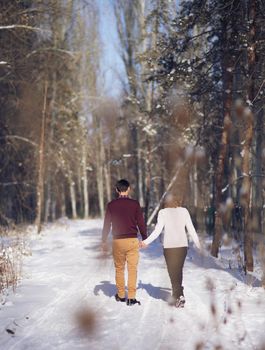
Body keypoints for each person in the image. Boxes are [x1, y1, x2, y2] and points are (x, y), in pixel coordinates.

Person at [141, 195, 201, 308]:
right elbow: (191, 229)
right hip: (182, 247)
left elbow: (157, 231)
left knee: (173, 272)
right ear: (178, 201)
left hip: (169, 247)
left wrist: (146, 242)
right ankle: (177, 295)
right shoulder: (184, 211)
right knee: (178, 271)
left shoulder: (163, 213)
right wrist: (199, 245)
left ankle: (180, 295)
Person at [102, 179, 147, 306]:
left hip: (117, 242)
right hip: (132, 241)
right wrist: (144, 238)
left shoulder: (111, 205)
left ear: (116, 190)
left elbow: (107, 224)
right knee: (132, 269)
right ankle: (131, 297)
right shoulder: (135, 204)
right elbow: (141, 223)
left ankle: (121, 295)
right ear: (128, 189)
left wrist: (103, 241)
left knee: (119, 269)